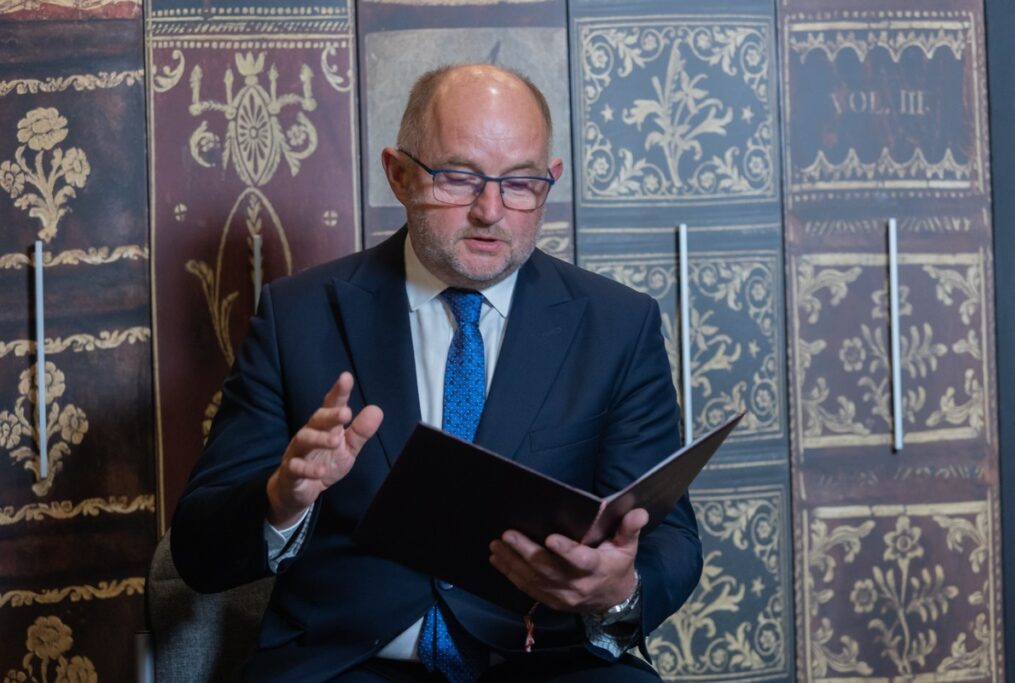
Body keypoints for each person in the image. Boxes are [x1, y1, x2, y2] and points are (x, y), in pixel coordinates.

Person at [171, 64, 702, 682]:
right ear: (398, 173)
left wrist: (619, 591)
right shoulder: (297, 318)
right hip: (349, 665)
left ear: (549, 182)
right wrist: (280, 499)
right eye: (459, 177)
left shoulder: (619, 325)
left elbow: (670, 542)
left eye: (520, 183)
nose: (490, 211)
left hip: (548, 664)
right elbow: (197, 549)